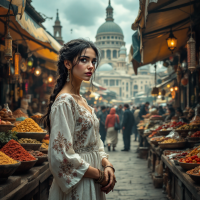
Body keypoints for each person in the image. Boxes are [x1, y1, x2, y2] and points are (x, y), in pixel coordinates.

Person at [41, 39, 116, 200]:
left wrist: (107, 164)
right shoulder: (64, 102)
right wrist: (99, 175)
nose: (91, 66)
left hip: (92, 176)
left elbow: (95, 141)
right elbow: (60, 155)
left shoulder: (80, 99)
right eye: (84, 60)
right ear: (68, 64)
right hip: (80, 181)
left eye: (93, 61)